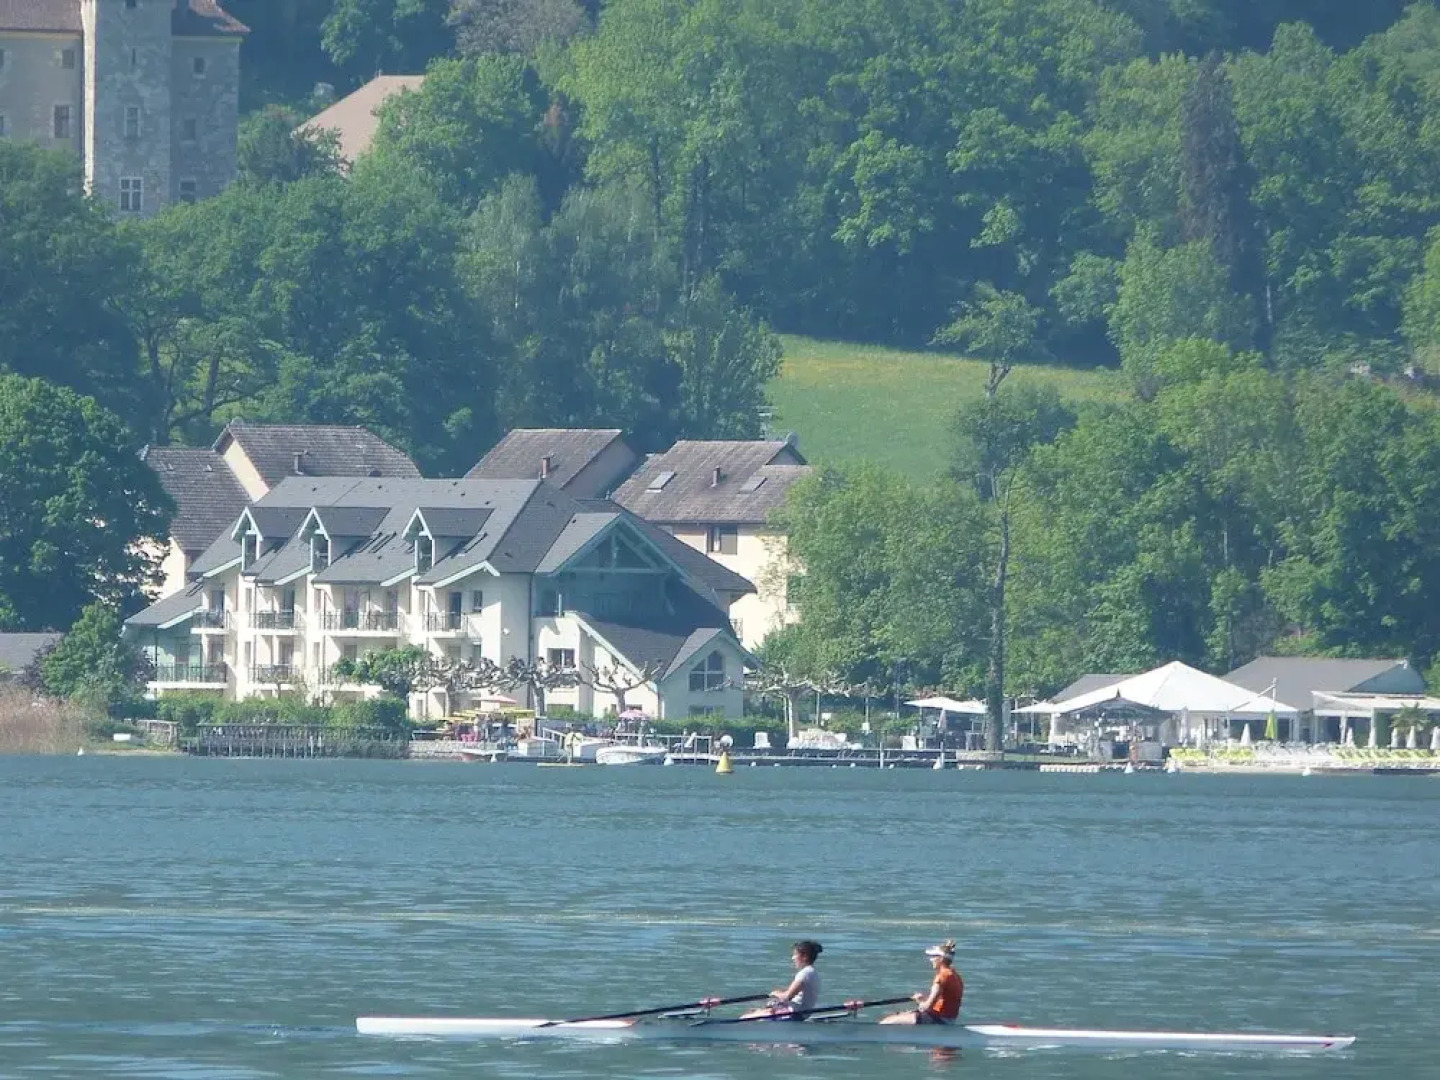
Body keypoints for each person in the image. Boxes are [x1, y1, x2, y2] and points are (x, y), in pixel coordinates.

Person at [880, 940, 963, 1025]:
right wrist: (923, 1000)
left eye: (933, 956)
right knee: (902, 1015)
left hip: (938, 1020)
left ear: (941, 958)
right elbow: (941, 1001)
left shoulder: (941, 977)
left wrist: (919, 1001)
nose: (931, 959)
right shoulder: (955, 975)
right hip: (948, 1019)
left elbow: (926, 1007)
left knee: (887, 1021)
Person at [740, 940, 823, 1020]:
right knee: (755, 1011)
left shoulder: (804, 974)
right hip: (801, 1013)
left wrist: (775, 994)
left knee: (745, 1018)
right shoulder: (813, 972)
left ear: (805, 957)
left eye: (795, 954)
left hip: (793, 1014)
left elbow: (787, 997)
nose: (793, 958)